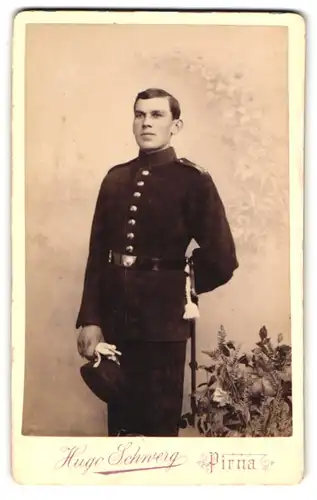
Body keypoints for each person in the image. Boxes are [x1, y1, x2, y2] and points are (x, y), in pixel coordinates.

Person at [76, 88, 238, 437]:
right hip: (116, 321)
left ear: (175, 125)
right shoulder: (115, 178)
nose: (146, 122)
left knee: (157, 427)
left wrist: (182, 284)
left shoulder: (193, 180)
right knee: (119, 428)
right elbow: (97, 256)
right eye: (139, 114)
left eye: (156, 115)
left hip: (163, 323)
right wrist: (90, 318)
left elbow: (223, 258)